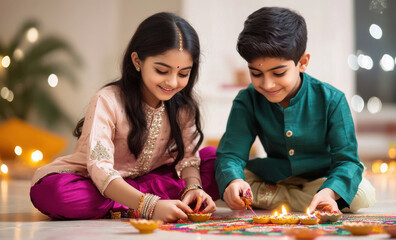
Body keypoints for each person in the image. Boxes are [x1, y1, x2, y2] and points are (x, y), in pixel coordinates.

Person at [30, 12, 219, 222]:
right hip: (96, 182)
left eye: (183, 73)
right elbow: (99, 169)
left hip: (151, 180)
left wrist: (194, 188)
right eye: (161, 70)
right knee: (55, 192)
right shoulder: (108, 101)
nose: (173, 82)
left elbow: (188, 159)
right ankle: (138, 201)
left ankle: (137, 201)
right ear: (137, 61)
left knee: (216, 161)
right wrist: (150, 205)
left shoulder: (183, 107)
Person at [215, 7, 375, 214]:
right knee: (224, 178)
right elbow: (231, 155)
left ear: (303, 62)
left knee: (361, 194)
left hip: (322, 179)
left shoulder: (332, 100)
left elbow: (347, 161)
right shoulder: (247, 100)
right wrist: (235, 181)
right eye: (256, 73)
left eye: (278, 73)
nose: (267, 84)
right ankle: (302, 201)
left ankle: (279, 198)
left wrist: (329, 192)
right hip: (273, 175)